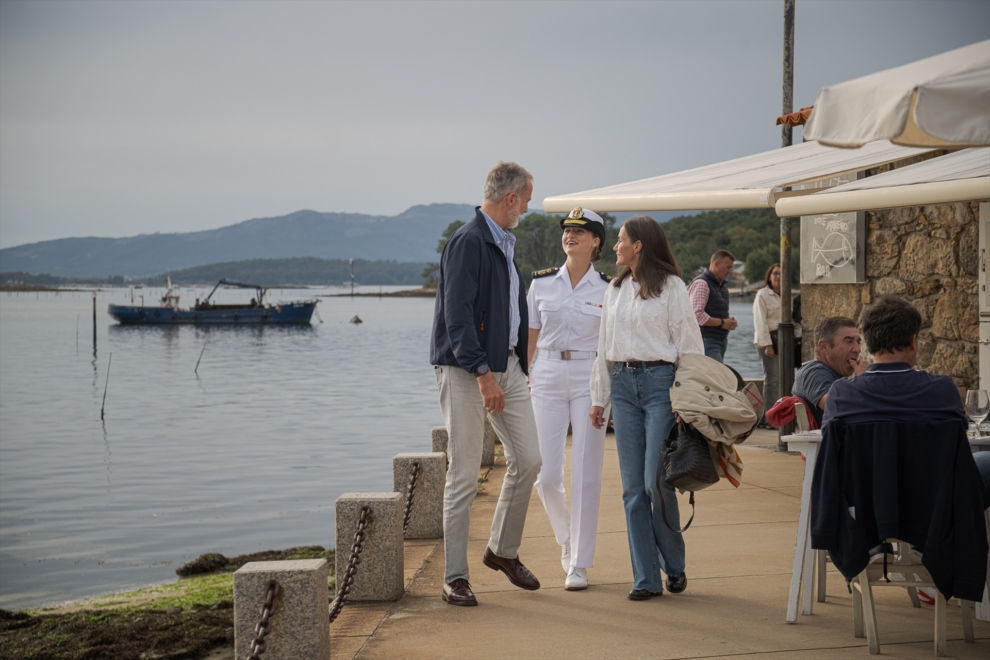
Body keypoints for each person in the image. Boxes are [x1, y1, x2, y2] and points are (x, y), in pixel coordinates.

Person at [430, 162, 543, 607]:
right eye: (528, 198)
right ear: (511, 198)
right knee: (462, 475)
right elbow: (456, 316)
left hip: (509, 368)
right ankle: (455, 577)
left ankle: (501, 550)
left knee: (529, 460)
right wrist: (482, 375)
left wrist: (516, 366)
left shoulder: (503, 243)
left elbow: (510, 310)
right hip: (466, 370)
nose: (528, 207)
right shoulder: (468, 242)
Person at [588, 216, 705, 601]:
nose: (615, 246)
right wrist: (598, 398)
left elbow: (690, 346)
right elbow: (605, 346)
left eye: (621, 240)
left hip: (660, 387)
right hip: (622, 386)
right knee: (632, 490)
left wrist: (687, 400)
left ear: (638, 245)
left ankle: (673, 564)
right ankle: (645, 578)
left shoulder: (672, 287)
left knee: (657, 483)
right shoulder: (615, 289)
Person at [527, 207, 611, 592]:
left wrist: (604, 391)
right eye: (567, 229)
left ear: (596, 241)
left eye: (581, 230)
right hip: (545, 374)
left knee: (586, 471)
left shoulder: (609, 288)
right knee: (543, 474)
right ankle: (565, 538)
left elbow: (609, 347)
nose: (571, 234)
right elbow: (529, 342)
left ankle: (578, 562)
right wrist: (523, 381)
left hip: (588, 376)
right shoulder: (541, 284)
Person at [792, 316, 868, 428]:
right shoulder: (813, 372)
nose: (857, 349)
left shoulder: (833, 373)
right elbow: (836, 406)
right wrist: (862, 379)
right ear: (824, 347)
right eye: (849, 341)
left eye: (858, 342)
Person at [687, 250, 738, 362]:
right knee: (715, 377)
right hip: (706, 341)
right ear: (716, 264)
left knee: (714, 377)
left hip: (718, 340)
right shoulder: (702, 283)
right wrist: (723, 322)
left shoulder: (722, 288)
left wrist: (728, 322)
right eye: (728, 267)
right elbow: (697, 315)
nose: (730, 271)